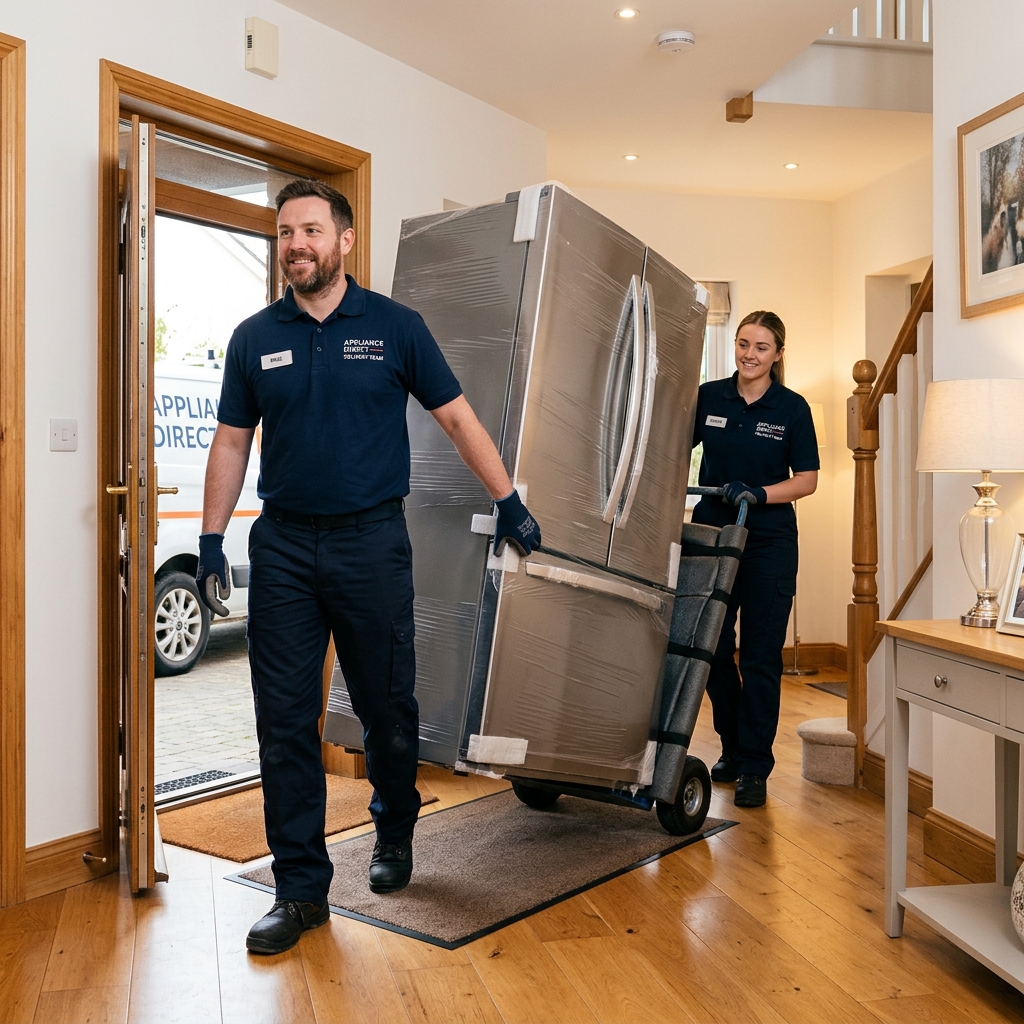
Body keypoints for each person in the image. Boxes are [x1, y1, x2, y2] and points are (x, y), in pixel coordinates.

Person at [196, 179, 541, 955]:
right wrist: (213, 539)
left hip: (371, 542)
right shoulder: (256, 337)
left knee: (388, 707)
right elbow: (229, 441)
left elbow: (456, 415)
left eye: (311, 230)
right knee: (283, 722)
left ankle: (393, 829)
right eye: (286, 232)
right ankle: (299, 890)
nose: (297, 245)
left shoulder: (394, 327)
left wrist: (509, 500)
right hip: (283, 546)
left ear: (345, 240)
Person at [690, 310, 818, 808]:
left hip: (768, 542)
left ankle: (755, 767)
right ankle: (731, 746)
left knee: (761, 656)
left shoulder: (792, 407)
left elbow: (806, 479)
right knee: (712, 650)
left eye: (761, 347)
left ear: (778, 354)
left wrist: (761, 494)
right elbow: (675, 451)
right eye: (743, 343)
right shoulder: (708, 396)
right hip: (713, 536)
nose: (749, 353)